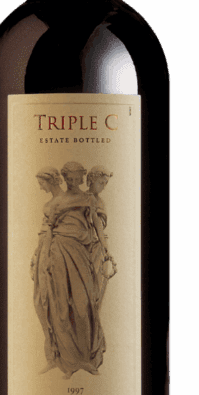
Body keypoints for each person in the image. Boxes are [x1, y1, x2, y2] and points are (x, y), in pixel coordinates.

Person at [43, 161, 106, 379]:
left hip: (81, 253)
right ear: (64, 178)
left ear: (81, 178)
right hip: (59, 251)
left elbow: (97, 225)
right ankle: (68, 361)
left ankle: (86, 359)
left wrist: (107, 250)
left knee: (83, 305)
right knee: (61, 305)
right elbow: (49, 230)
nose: (72, 181)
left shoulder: (88, 199)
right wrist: (45, 257)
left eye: (76, 178)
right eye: (68, 178)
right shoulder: (57, 201)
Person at [30, 167, 63, 374]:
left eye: (41, 183)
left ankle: (63, 357)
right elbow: (43, 234)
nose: (40, 187)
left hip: (56, 257)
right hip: (43, 254)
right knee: (41, 303)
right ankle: (52, 356)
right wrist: (36, 257)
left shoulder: (65, 202)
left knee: (56, 304)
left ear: (50, 181)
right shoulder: (48, 204)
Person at [86, 166, 116, 313]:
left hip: (98, 246)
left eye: (105, 184)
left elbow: (99, 226)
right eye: (101, 183)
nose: (103, 187)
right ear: (92, 180)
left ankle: (94, 319)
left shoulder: (100, 202)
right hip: (82, 245)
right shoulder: (81, 198)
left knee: (98, 286)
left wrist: (105, 249)